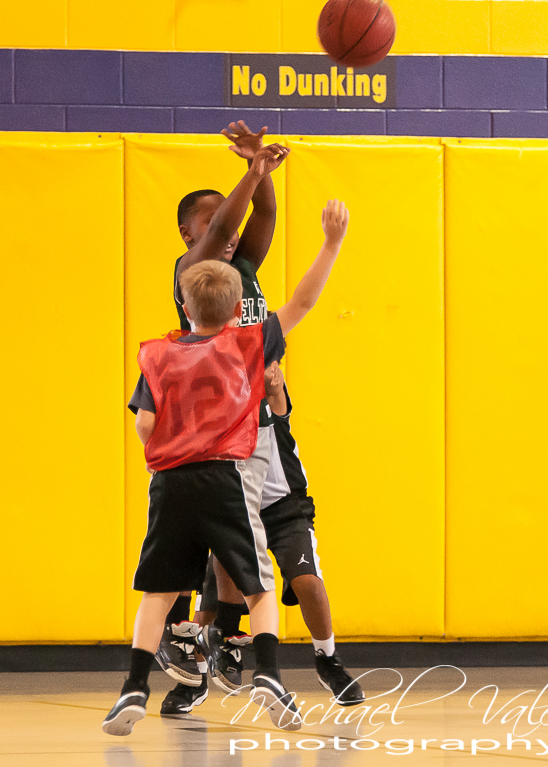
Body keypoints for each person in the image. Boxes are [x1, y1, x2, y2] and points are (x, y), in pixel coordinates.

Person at [103, 195, 350, 737]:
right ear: (241, 308)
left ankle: (134, 687)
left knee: (159, 593)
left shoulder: (159, 353)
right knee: (258, 586)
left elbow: (144, 425)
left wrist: (168, 446)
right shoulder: (248, 345)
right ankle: (268, 676)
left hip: (170, 482)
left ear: (185, 307)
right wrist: (331, 242)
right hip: (226, 477)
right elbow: (303, 301)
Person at [159, 123, 363, 715]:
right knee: (217, 549)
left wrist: (262, 173)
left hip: (264, 435)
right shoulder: (193, 271)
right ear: (188, 233)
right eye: (212, 221)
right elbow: (229, 227)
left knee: (250, 555)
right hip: (219, 437)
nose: (227, 229)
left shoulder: (243, 269)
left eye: (228, 220)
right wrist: (249, 174)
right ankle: (205, 654)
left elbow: (261, 218)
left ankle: (247, 649)